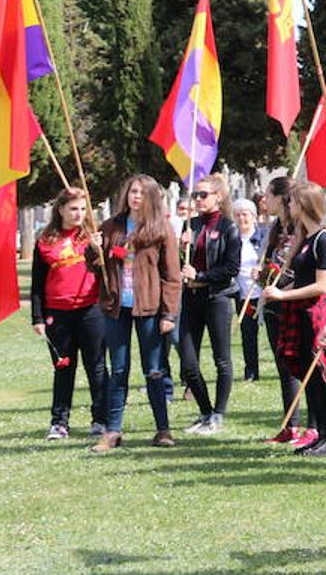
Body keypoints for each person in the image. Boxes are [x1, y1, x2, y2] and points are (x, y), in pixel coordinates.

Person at [91, 174, 182, 452]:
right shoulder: (110, 227)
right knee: (118, 369)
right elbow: (97, 268)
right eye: (132, 191)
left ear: (151, 197)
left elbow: (172, 275)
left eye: (142, 193)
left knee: (154, 370)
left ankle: (162, 429)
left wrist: (169, 314)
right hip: (117, 308)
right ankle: (113, 431)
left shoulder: (161, 228)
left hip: (150, 309)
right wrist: (93, 250)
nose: (136, 197)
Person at [262, 180, 326, 457]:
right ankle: (320, 436)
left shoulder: (323, 238)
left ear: (303, 204)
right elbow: (301, 278)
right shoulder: (305, 239)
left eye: (292, 201)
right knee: (310, 378)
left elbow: (321, 286)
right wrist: (278, 291)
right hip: (299, 315)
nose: (289, 206)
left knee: (322, 377)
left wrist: (282, 296)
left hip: (316, 315)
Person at [31, 188, 107, 441]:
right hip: (58, 313)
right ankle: (59, 422)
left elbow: (108, 270)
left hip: (91, 310)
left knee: (96, 367)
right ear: (61, 209)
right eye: (73, 208)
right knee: (63, 368)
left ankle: (100, 420)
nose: (79, 214)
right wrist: (38, 317)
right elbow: (37, 284)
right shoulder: (45, 241)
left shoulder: (93, 236)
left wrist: (100, 250)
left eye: (83, 209)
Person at [177, 173, 241, 434]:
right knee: (188, 361)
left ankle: (218, 414)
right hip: (192, 299)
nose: (199, 199)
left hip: (218, 297)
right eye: (196, 195)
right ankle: (204, 411)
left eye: (204, 195)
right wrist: (182, 249)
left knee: (221, 359)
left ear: (219, 196)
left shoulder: (229, 227)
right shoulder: (189, 225)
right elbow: (183, 264)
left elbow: (231, 268)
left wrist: (201, 277)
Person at [258, 176, 314, 448]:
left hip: (293, 302)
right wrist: (264, 275)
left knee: (304, 365)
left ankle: (313, 426)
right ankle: (290, 424)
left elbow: (300, 270)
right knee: (284, 365)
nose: (264, 200)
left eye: (268, 195)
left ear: (281, 198)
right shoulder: (274, 228)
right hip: (273, 304)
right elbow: (273, 264)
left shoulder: (301, 229)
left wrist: (281, 283)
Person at [232, 198, 268, 382]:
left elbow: (273, 262)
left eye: (244, 214)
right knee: (248, 334)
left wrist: (262, 272)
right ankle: (251, 371)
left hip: (265, 293)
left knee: (272, 333)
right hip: (244, 294)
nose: (241, 218)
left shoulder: (264, 236)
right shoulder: (233, 239)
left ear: (253, 216)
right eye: (237, 215)